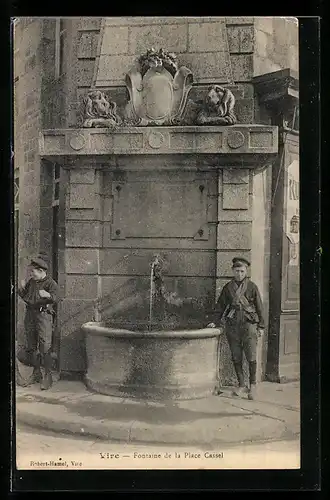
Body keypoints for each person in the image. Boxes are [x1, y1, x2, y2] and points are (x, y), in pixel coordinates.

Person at [208, 257, 265, 400]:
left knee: (251, 356)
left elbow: (259, 307)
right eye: (237, 271)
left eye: (242, 271)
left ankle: (253, 386)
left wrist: (261, 326)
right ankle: (241, 385)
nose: (239, 274)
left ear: (246, 271)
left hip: (249, 326)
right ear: (233, 271)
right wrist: (215, 321)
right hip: (233, 326)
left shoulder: (252, 287)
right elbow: (220, 306)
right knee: (236, 356)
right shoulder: (228, 288)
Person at [17, 253, 59, 390]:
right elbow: (27, 298)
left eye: (33, 271)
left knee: (45, 346)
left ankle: (47, 377)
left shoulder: (51, 283)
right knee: (31, 344)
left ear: (41, 271)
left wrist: (49, 295)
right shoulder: (32, 282)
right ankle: (36, 374)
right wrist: (21, 290)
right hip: (30, 315)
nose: (31, 274)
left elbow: (57, 298)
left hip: (43, 316)